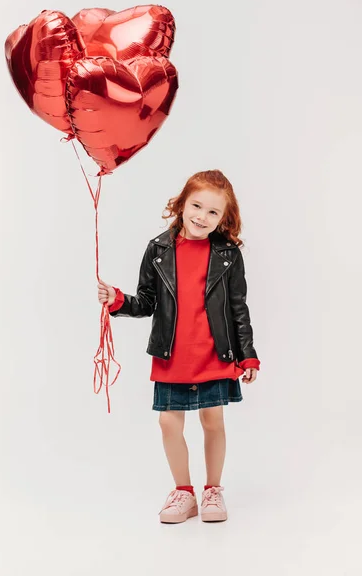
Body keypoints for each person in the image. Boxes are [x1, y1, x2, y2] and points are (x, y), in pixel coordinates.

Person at [97, 169, 260, 524]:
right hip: (173, 354)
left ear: (224, 218)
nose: (202, 216)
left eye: (213, 212)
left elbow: (238, 308)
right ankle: (184, 493)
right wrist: (118, 301)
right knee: (169, 423)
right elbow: (146, 301)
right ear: (182, 203)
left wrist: (248, 354)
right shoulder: (158, 249)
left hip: (215, 353)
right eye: (197, 206)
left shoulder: (228, 254)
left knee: (212, 420)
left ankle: (212, 490)